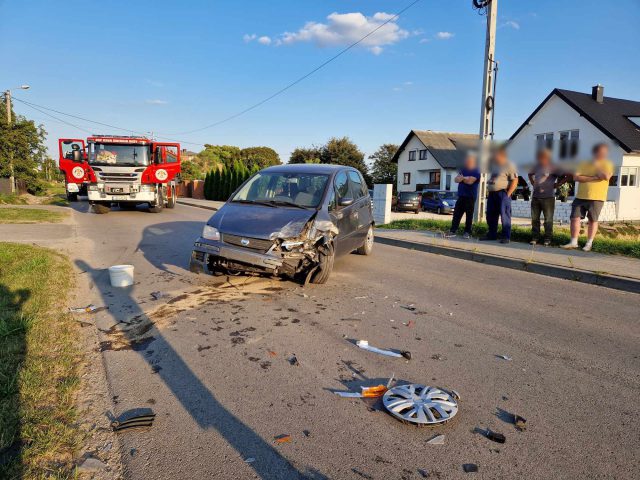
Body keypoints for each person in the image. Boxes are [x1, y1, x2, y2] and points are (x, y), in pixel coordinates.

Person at [562, 143, 613, 252]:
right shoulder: (583, 163)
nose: (603, 154)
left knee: (592, 220)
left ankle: (589, 243)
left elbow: (606, 176)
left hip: (597, 197)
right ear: (595, 152)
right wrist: (594, 177)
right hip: (581, 195)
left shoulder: (608, 164)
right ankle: (573, 242)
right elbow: (576, 177)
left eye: (604, 152)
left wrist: (597, 165)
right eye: (601, 151)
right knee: (574, 218)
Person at [528, 149, 565, 246]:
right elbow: (529, 173)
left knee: (548, 219)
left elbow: (567, 176)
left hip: (548, 197)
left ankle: (548, 238)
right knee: (534, 219)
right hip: (535, 196)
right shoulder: (536, 166)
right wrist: (532, 182)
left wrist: (558, 184)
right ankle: (535, 237)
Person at [481, 147, 518, 244]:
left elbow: (515, 181)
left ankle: (506, 236)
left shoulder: (509, 165)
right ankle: (492, 234)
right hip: (492, 194)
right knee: (490, 215)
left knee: (505, 216)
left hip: (502, 194)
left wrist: (508, 194)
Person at [447, 152, 480, 239]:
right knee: (456, 214)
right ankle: (453, 231)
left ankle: (467, 232)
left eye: (468, 160)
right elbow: (455, 180)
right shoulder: (463, 170)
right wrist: (465, 178)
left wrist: (462, 178)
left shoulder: (476, 170)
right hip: (461, 196)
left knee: (469, 215)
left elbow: (470, 182)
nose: (466, 162)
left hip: (470, 196)